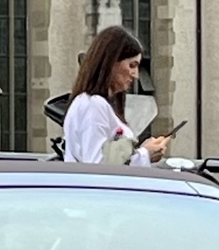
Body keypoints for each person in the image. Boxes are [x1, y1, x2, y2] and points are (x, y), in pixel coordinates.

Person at [62, 26, 171, 166]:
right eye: (132, 65)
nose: (136, 75)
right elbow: (97, 167)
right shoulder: (93, 105)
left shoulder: (94, 104)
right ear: (111, 62)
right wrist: (144, 154)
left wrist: (141, 152)